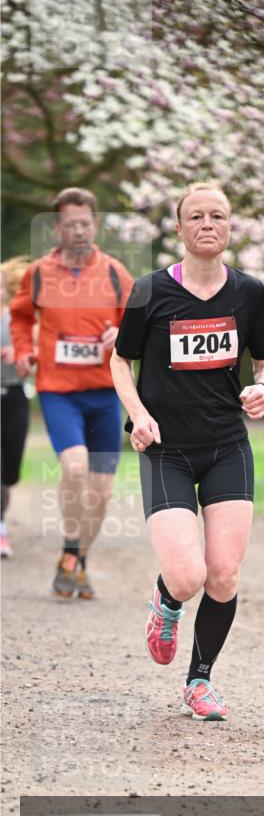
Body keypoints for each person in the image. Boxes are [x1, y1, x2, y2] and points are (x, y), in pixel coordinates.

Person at [111, 182, 264, 722]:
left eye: (219, 216)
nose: (208, 224)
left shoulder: (249, 292)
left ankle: (200, 682)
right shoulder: (149, 291)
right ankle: (166, 603)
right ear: (180, 228)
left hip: (228, 445)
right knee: (188, 577)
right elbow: (120, 362)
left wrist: (263, 389)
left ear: (230, 228)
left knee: (224, 574)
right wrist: (138, 415)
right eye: (197, 217)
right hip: (167, 449)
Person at [10, 187, 134, 596]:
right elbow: (21, 315)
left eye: (85, 223)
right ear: (57, 228)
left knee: (102, 489)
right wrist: (25, 350)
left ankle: (77, 559)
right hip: (58, 391)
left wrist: (122, 334)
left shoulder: (116, 273)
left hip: (104, 393)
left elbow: (140, 325)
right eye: (70, 224)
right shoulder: (40, 274)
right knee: (75, 467)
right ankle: (70, 552)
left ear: (94, 225)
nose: (78, 231)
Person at [1, 257, 31, 558]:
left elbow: (34, 354)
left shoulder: (18, 318)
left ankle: (4, 496)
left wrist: (19, 352)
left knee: (9, 470)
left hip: (15, 395)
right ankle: (0, 528)